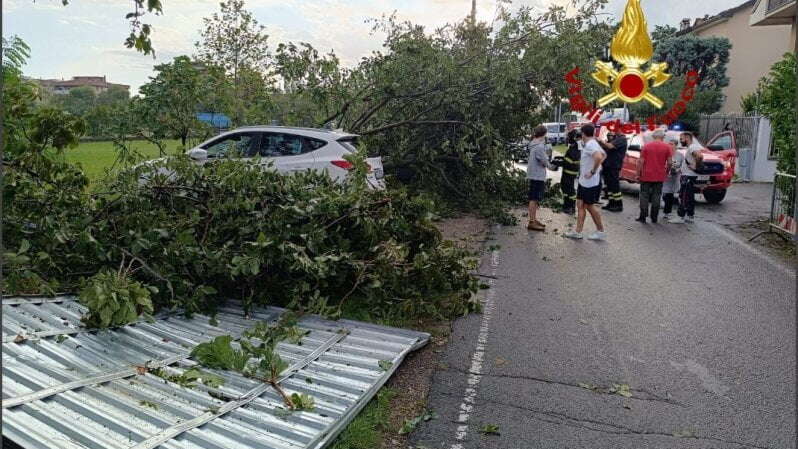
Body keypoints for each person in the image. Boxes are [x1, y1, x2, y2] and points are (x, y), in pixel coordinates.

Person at [564, 124, 606, 240]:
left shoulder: (590, 145)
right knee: (580, 204)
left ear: (583, 134)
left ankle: (600, 231)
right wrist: (597, 169)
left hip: (589, 182)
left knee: (589, 206)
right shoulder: (592, 143)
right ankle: (578, 232)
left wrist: (593, 171)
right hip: (585, 181)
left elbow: (598, 157)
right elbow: (603, 155)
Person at [635, 129, 672, 223]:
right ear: (662, 137)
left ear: (653, 137)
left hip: (646, 175)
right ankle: (654, 217)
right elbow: (670, 162)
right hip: (659, 175)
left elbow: (641, 161)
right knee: (657, 196)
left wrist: (638, 174)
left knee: (644, 195)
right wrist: (667, 172)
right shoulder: (667, 147)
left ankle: (643, 216)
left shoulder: (646, 146)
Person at [670, 132, 704, 224]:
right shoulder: (693, 147)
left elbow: (699, 156)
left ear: (687, 138)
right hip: (689, 175)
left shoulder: (692, 147)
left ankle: (680, 217)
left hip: (688, 176)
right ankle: (690, 216)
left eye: (682, 139)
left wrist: (695, 166)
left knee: (683, 196)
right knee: (689, 196)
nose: (680, 141)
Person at [526, 125, 552, 231]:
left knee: (534, 198)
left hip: (533, 174)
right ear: (544, 134)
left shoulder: (533, 143)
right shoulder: (540, 146)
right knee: (534, 198)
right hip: (537, 175)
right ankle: (532, 222)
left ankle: (533, 219)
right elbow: (545, 161)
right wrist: (552, 166)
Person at [597, 130, 628, 212]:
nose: (612, 133)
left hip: (614, 166)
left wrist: (601, 141)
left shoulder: (622, 139)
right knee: (609, 186)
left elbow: (610, 146)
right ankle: (611, 203)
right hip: (608, 165)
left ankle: (618, 205)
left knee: (614, 186)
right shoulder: (615, 139)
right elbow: (605, 147)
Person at [559, 129, 581, 215]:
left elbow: (569, 161)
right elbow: (567, 159)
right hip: (568, 171)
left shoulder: (575, 147)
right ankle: (566, 205)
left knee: (570, 190)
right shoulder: (573, 146)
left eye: (568, 137)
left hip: (570, 172)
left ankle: (571, 207)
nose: (567, 138)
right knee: (565, 188)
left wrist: (559, 162)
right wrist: (560, 159)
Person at [662, 136, 683, 221]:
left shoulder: (680, 155)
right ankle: (664, 205)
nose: (670, 145)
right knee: (664, 194)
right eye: (669, 144)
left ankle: (667, 213)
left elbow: (683, 166)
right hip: (665, 177)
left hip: (674, 178)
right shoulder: (665, 153)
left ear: (676, 145)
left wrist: (677, 170)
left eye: (672, 144)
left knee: (670, 195)